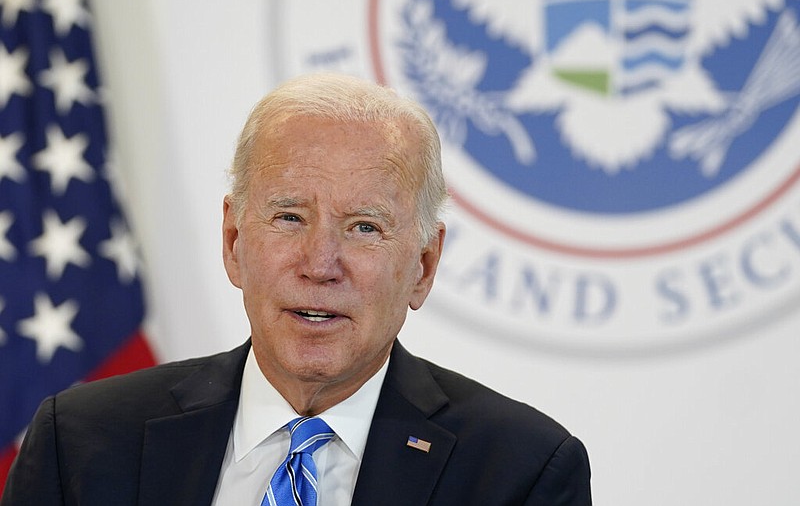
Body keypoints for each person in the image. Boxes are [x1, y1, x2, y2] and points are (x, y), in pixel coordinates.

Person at [1, 73, 592, 505]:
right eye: (289, 217)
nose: (320, 264)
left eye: (365, 226)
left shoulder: (521, 472)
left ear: (424, 264)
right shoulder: (78, 442)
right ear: (234, 240)